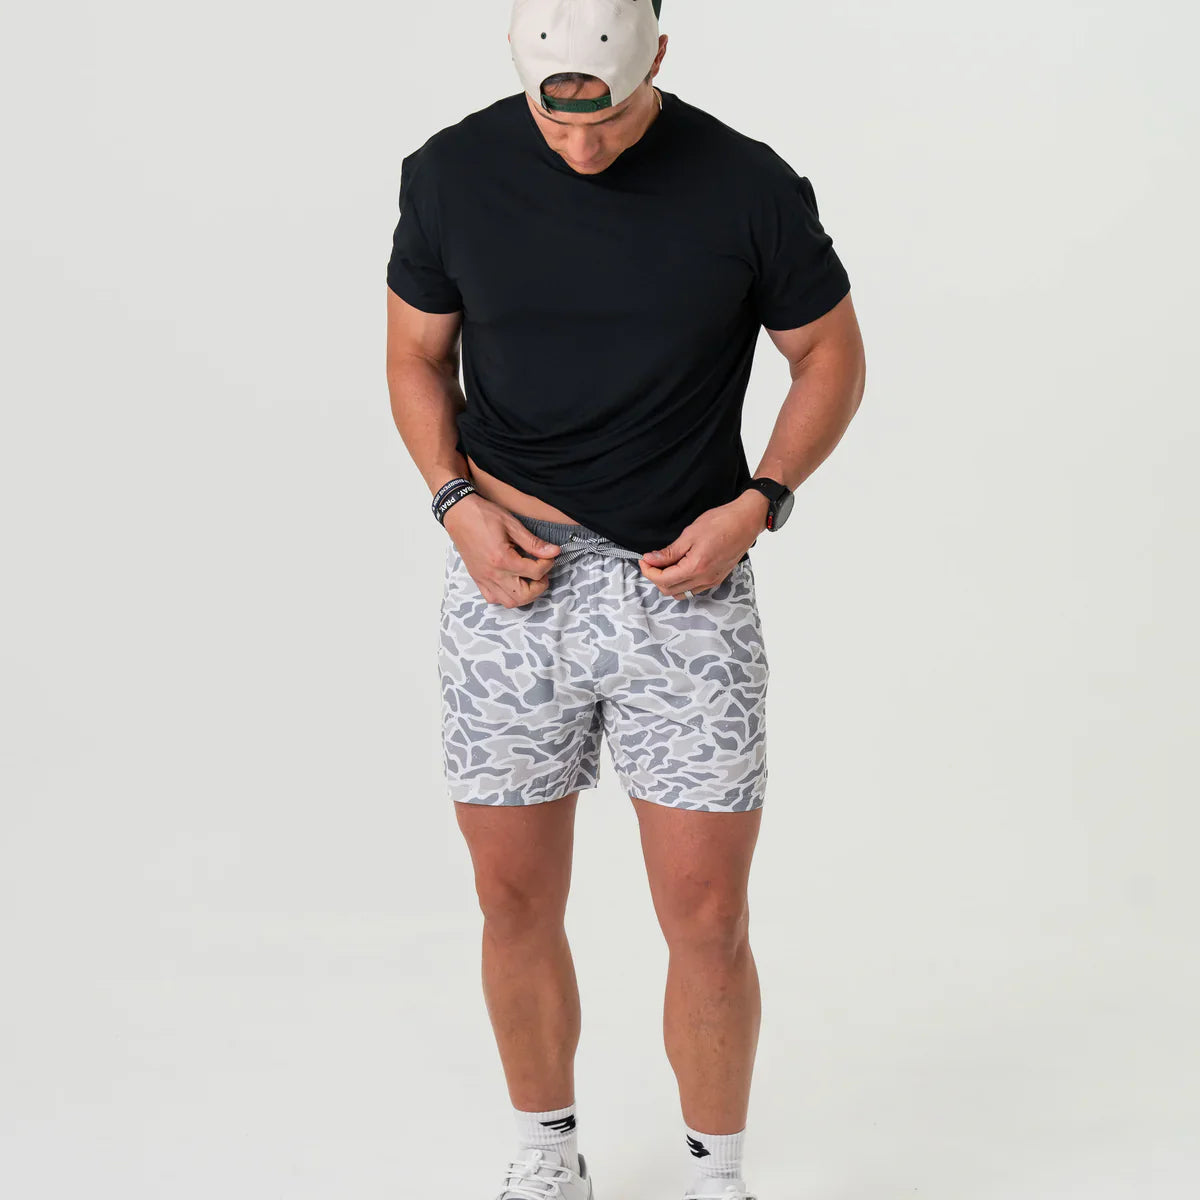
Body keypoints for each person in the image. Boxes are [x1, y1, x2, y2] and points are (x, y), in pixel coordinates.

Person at [384, 2, 866, 1198]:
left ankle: (716, 1177)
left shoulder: (748, 185)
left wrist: (761, 502)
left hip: (683, 590)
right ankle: (547, 1157)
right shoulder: (449, 174)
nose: (582, 147)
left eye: (605, 121)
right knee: (511, 897)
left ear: (656, 58)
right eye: (556, 124)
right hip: (509, 583)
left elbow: (830, 354)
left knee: (707, 915)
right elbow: (414, 355)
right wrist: (452, 501)